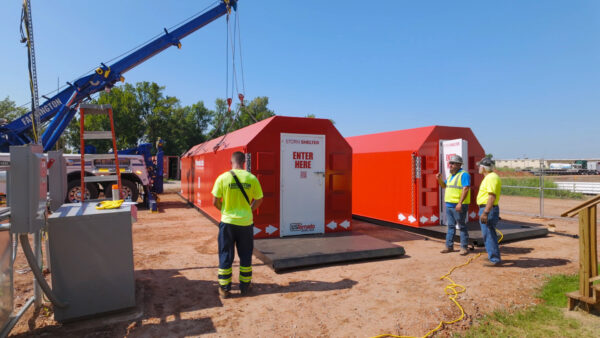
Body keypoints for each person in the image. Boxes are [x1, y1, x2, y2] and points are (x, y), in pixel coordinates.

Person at [212, 151, 263, 297]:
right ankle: (245, 287)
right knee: (245, 254)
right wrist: (249, 210)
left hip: (227, 223)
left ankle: (224, 288)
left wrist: (225, 211)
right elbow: (259, 199)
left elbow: (215, 201)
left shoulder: (223, 178)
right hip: (245, 223)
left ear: (231, 162)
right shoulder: (251, 178)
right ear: (244, 162)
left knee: (226, 254)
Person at [436, 155, 471, 255]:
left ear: (459, 164)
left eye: (452, 163)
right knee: (451, 226)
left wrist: (459, 203)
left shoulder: (464, 175)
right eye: (450, 163)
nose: (450, 165)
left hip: (459, 205)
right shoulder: (451, 175)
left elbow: (466, 189)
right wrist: (439, 179)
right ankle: (449, 246)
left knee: (462, 226)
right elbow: (444, 186)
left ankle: (464, 248)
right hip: (449, 205)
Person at [476, 157, 502, 266]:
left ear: (484, 167)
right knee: (489, 234)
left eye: (480, 166)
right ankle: (493, 256)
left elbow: (491, 196)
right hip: (488, 208)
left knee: (489, 234)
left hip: (487, 209)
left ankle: (494, 259)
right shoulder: (490, 177)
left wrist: (486, 212)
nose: (478, 167)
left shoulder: (491, 178)